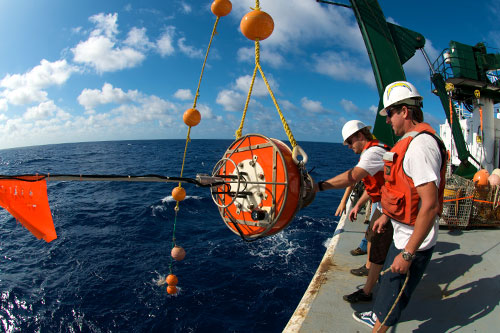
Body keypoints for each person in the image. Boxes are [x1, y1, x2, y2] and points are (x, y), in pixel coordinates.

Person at [352, 81, 447, 331]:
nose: (387, 121)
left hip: (414, 241)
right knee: (387, 287)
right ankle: (377, 316)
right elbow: (404, 188)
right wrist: (386, 215)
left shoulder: (420, 147)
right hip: (401, 231)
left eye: (390, 113)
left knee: (392, 301)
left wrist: (408, 254)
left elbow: (429, 205)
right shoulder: (409, 143)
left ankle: (379, 324)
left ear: (405, 111)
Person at [315, 119, 391, 294]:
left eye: (349, 142)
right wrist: (357, 205)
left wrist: (318, 187)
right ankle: (368, 266)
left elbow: (352, 177)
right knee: (371, 234)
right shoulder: (371, 152)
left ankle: (367, 291)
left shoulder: (372, 152)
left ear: (360, 135)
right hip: (382, 202)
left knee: (379, 244)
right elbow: (373, 188)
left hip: (390, 206)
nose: (348, 146)